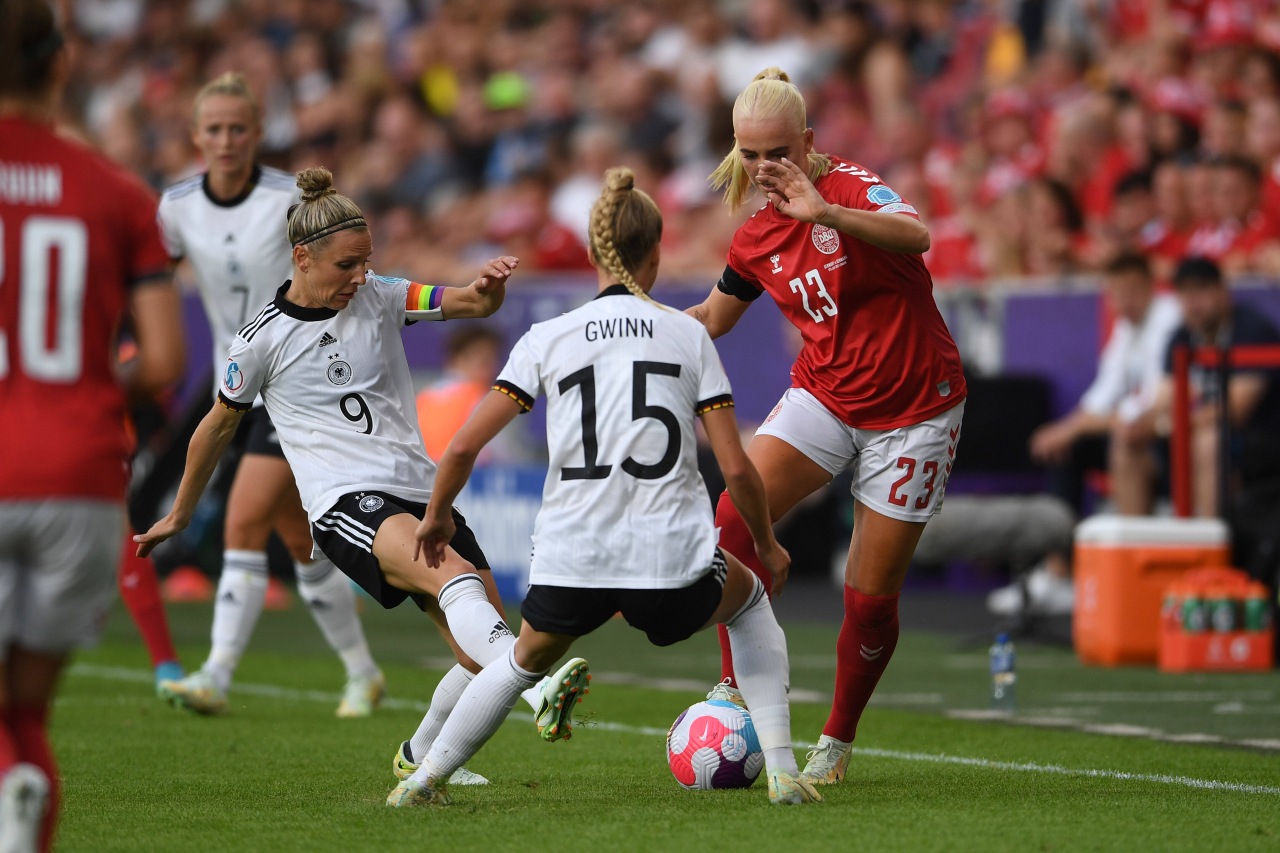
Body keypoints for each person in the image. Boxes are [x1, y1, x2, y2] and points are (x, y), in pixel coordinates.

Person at [390, 167, 819, 809]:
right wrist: (766, 542)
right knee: (751, 601)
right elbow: (735, 468)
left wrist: (435, 516)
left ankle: (423, 780)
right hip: (668, 558)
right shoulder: (688, 334)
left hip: (573, 557)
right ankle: (785, 773)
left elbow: (461, 446)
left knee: (521, 660)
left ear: (591, 254)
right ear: (656, 255)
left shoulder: (548, 337)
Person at [135, 168, 575, 782]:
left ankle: (417, 757)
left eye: (367, 261)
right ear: (303, 258)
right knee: (461, 589)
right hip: (344, 502)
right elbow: (215, 426)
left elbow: (467, 302)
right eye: (347, 265)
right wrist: (181, 513)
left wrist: (488, 289)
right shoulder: (259, 342)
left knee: (482, 656)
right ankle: (542, 693)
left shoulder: (383, 295)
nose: (361, 276)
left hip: (418, 491)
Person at [686, 68, 966, 786]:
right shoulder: (754, 238)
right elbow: (715, 318)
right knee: (732, 519)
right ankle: (736, 690)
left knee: (868, 597)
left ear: (807, 142)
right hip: (827, 397)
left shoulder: (847, 187)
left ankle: (836, 741)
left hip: (915, 409)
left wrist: (827, 215)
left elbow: (918, 233)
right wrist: (632, 328)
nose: (763, 168)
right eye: (749, 154)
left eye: (777, 151)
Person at [0, 3, 186, 850]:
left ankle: (13, 780)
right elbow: (161, 361)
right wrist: (76, 386)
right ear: (61, 63)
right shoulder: (117, 193)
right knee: (27, 709)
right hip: (79, 476)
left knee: (8, 735)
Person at [154, 73, 385, 718]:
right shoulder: (176, 208)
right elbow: (151, 274)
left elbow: (350, 256)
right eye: (214, 129)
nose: (227, 140)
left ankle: (217, 674)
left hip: (297, 375)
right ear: (196, 136)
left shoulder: (290, 199)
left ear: (256, 133)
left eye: (238, 128)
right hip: (238, 376)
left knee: (244, 519)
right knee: (296, 536)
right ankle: (363, 672)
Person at [1008, 252, 1182, 615]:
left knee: (1107, 439)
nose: (1124, 302)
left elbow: (1146, 408)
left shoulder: (1170, 320)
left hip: (1167, 442)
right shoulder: (1125, 328)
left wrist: (1070, 429)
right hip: (1131, 434)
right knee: (1066, 450)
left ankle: (1133, 569)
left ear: (1150, 285)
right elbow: (1101, 398)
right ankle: (1059, 572)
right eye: (1116, 294)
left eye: (1132, 292)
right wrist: (1064, 431)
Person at [1138, 256, 1280, 517]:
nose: (1193, 303)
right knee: (1129, 440)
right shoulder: (1181, 337)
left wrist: (1174, 424)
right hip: (1193, 428)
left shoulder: (1253, 330)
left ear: (1223, 291)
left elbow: (1236, 409)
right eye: (1184, 293)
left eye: (1201, 290)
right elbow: (1163, 400)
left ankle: (1209, 541)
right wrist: (1151, 423)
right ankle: (1131, 546)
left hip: (1258, 438)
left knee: (1208, 440)